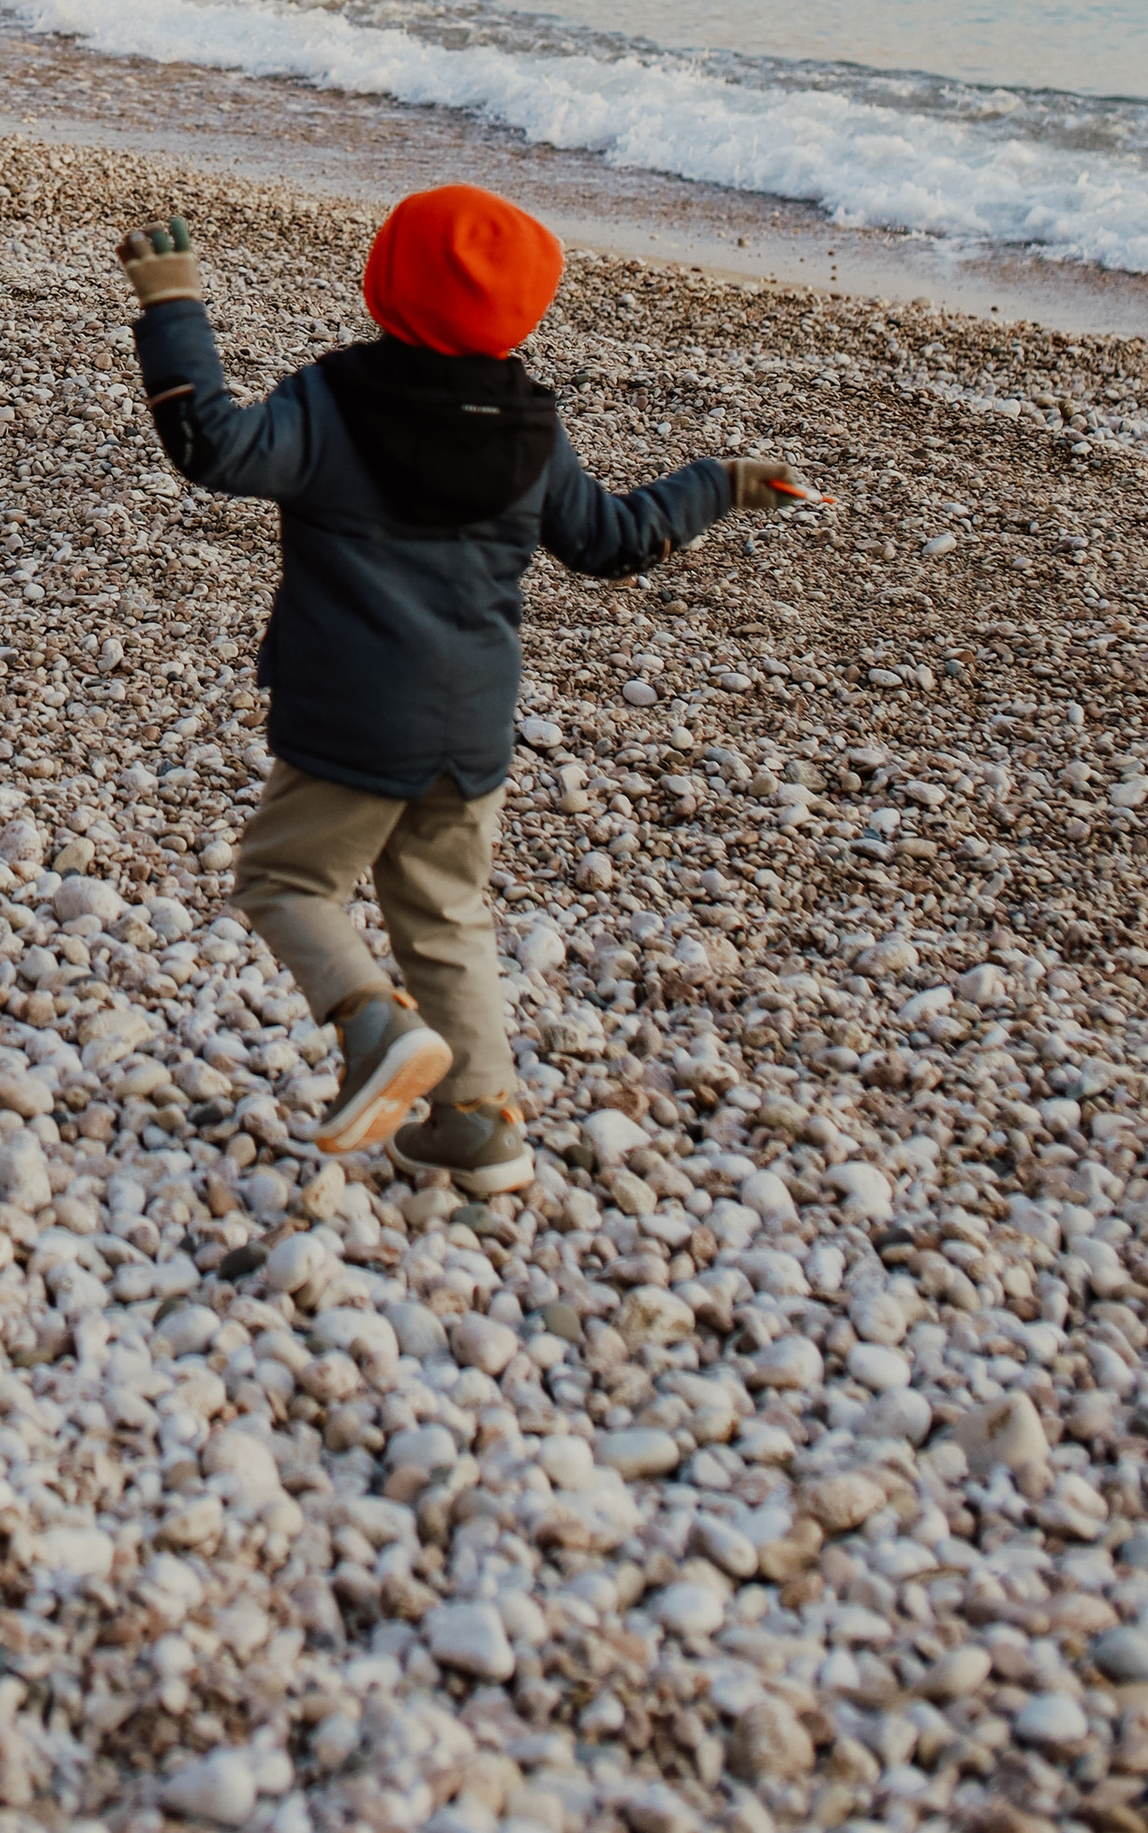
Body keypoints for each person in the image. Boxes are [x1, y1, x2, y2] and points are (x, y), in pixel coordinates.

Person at [114, 182, 808, 1196]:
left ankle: (372, 1023)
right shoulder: (529, 430)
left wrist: (171, 303)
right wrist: (723, 480)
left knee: (283, 877)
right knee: (443, 912)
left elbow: (210, 446)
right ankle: (480, 1126)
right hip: (473, 726)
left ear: (385, 282)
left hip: (356, 715)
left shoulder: (333, 400)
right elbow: (611, 540)